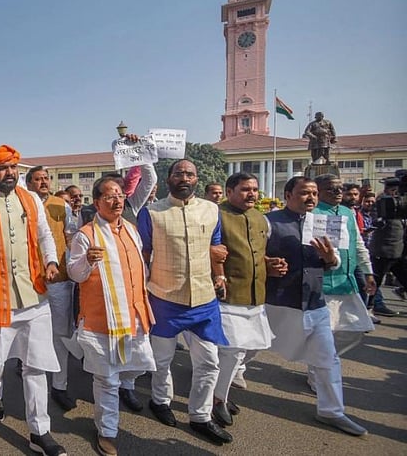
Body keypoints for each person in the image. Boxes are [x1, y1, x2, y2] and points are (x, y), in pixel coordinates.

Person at [0, 145, 67, 456]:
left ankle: (40, 431)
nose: (10, 173)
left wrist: (50, 261)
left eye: (13, 167)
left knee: (35, 366)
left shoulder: (31, 199)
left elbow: (45, 234)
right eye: (2, 168)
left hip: (35, 297)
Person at [136, 159, 233, 444]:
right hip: (165, 297)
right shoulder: (151, 213)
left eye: (189, 173)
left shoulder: (211, 209)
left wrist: (221, 277)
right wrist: (141, 292)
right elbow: (143, 255)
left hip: (204, 300)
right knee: (162, 360)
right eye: (178, 173)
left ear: (197, 178)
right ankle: (160, 401)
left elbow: (216, 249)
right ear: (168, 179)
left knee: (209, 362)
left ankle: (201, 416)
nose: (184, 178)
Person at [264, 176, 367, 436]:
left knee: (327, 358)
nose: (310, 198)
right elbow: (253, 255)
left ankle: (331, 411)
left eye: (313, 194)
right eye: (303, 193)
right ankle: (223, 391)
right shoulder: (269, 221)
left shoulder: (327, 224)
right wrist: (266, 264)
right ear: (288, 195)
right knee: (249, 347)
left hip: (315, 301)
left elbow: (333, 263)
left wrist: (331, 258)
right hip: (278, 301)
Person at [67, 176, 154, 456]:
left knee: (136, 368)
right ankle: (107, 431)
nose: (116, 200)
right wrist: (87, 261)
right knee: (106, 379)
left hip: (134, 315)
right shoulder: (86, 235)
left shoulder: (130, 228)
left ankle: (125, 389)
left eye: (119, 195)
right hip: (101, 321)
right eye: (109, 196)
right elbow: (74, 274)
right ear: (97, 203)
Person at [213, 173, 275, 427]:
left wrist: (271, 264)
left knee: (255, 346)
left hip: (256, 295)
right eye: (245, 189)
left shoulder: (260, 218)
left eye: (255, 189)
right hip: (228, 295)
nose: (252, 194)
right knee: (233, 351)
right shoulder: (216, 215)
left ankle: (217, 386)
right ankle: (218, 400)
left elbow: (260, 252)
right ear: (229, 191)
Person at [25, 166, 78, 411]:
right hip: (28, 278)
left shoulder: (61, 204)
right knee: (28, 331)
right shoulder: (20, 203)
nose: (44, 182)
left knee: (61, 334)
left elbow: (70, 237)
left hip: (59, 278)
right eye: (38, 179)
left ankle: (59, 385)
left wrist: (71, 268)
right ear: (29, 183)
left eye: (46, 178)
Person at [312, 174, 376, 359]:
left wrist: (368, 271)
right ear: (319, 191)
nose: (339, 192)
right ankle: (321, 368)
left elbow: (358, 245)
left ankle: (326, 360)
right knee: (325, 331)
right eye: (332, 189)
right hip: (324, 283)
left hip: (347, 282)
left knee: (355, 328)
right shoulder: (313, 213)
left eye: (341, 188)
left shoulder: (348, 212)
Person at [367, 177, 407, 316]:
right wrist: (380, 220)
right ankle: (368, 310)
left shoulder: (403, 203)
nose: (396, 194)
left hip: (400, 251)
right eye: (393, 190)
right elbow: (374, 219)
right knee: (375, 282)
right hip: (383, 251)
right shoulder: (382, 202)